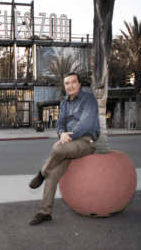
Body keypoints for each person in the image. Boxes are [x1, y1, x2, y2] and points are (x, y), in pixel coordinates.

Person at [28, 72, 100, 225]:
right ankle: (44, 212)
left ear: (79, 84)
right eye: (67, 83)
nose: (70, 85)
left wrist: (68, 137)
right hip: (69, 142)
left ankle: (41, 173)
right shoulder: (64, 103)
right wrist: (61, 134)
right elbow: (60, 123)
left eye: (73, 82)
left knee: (59, 150)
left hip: (86, 141)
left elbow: (85, 124)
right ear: (64, 86)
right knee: (52, 175)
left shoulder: (89, 99)